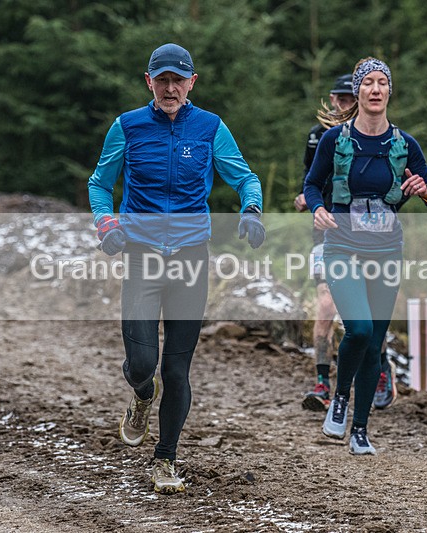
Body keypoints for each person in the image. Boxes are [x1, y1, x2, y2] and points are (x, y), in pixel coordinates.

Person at [87, 43, 264, 494]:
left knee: (177, 369)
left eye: (177, 80)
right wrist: (107, 224)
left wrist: (251, 208)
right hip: (142, 254)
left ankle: (164, 460)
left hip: (190, 257)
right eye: (161, 79)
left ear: (191, 83)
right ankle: (141, 395)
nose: (170, 88)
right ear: (149, 82)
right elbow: (99, 183)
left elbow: (244, 176)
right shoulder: (127, 126)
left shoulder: (210, 128)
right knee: (144, 363)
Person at [303, 57, 427, 455]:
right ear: (359, 92)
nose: (376, 89)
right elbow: (312, 184)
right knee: (360, 330)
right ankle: (340, 397)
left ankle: (360, 430)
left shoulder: (404, 144)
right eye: (369, 83)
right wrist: (317, 208)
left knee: (375, 340)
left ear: (389, 92)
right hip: (343, 246)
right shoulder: (335, 140)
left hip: (386, 250)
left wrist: (423, 189)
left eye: (383, 83)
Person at [293, 74, 355, 411]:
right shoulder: (317, 136)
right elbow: (309, 177)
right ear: (331, 99)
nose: (345, 104)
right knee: (325, 302)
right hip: (324, 230)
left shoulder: (369, 134)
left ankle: (378, 366)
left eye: (350, 98)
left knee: (360, 310)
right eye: (340, 98)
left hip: (361, 233)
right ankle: (321, 382)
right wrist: (305, 197)